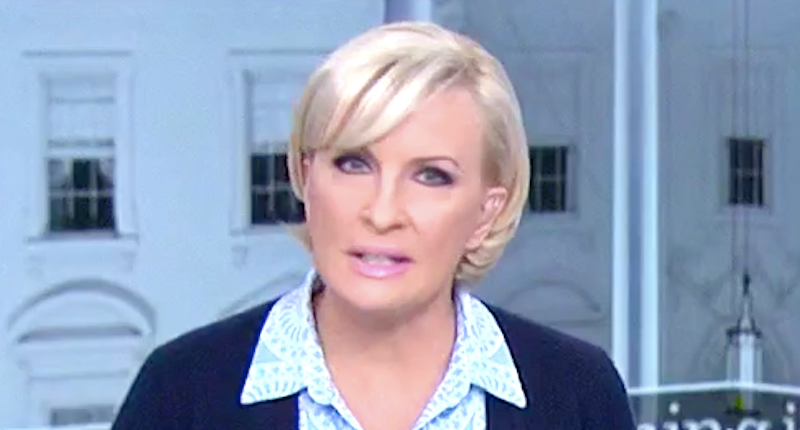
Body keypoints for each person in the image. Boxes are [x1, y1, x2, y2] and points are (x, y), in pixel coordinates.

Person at [110, 21, 636, 430]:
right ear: (304, 175)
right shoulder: (182, 392)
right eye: (353, 164)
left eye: (431, 176)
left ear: (486, 213)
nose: (383, 213)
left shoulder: (576, 393)